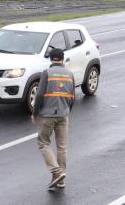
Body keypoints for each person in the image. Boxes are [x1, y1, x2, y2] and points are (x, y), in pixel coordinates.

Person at [31, 47, 75, 189]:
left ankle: (56, 172)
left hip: (47, 114)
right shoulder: (70, 74)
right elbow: (72, 97)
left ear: (50, 59)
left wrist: (35, 113)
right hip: (63, 114)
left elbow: (39, 95)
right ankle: (61, 180)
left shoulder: (47, 73)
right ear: (62, 59)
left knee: (43, 142)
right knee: (62, 147)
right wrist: (66, 111)